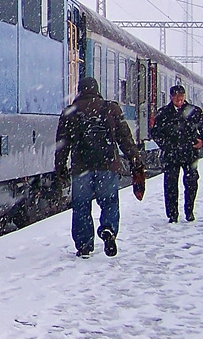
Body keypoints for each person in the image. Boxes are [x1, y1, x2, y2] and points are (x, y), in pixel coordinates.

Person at [55, 76, 141, 258]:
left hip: (81, 168)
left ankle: (84, 245)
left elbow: (62, 144)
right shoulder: (111, 108)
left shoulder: (70, 111)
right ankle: (108, 229)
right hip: (107, 166)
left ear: (80, 90)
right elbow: (125, 139)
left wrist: (60, 166)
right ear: (97, 89)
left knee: (81, 206)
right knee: (109, 201)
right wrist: (136, 162)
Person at [150, 84, 203, 223]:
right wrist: (166, 145)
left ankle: (189, 211)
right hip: (171, 154)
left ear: (184, 96)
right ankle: (172, 215)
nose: (178, 99)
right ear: (171, 97)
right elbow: (155, 133)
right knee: (170, 184)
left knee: (191, 182)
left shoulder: (194, 111)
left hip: (190, 153)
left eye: (181, 96)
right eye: (175, 96)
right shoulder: (164, 113)